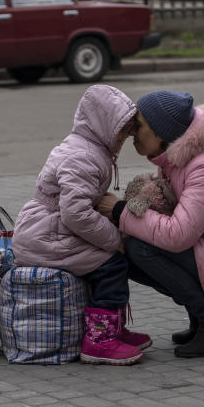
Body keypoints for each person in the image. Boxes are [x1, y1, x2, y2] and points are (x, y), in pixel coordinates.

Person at [98, 90, 204, 358]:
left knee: (140, 249)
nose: (133, 133)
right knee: (127, 252)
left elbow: (178, 235)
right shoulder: (176, 162)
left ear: (162, 131)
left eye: (140, 125)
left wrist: (120, 211)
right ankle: (201, 313)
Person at [12, 84, 151, 365]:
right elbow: (75, 213)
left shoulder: (87, 147)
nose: (124, 139)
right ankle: (100, 341)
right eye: (121, 132)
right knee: (111, 263)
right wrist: (115, 239)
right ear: (104, 127)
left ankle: (113, 328)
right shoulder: (84, 157)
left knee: (108, 261)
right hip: (46, 235)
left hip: (49, 230)